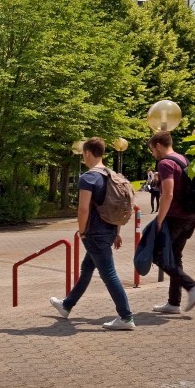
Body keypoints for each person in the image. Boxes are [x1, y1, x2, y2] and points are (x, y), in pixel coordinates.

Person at [49, 137, 135, 330]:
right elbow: (117, 206)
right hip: (110, 230)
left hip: (94, 233)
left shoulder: (88, 178)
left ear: (87, 153)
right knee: (87, 268)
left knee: (109, 274)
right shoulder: (112, 176)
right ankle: (67, 305)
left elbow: (83, 209)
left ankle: (126, 316)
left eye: (83, 155)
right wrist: (117, 231)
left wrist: (82, 231)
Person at [150, 130, 195, 315]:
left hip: (174, 218)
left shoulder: (165, 163)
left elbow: (168, 194)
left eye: (152, 149)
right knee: (175, 257)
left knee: (156, 255)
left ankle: (192, 286)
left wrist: (159, 219)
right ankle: (174, 303)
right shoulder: (183, 160)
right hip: (191, 217)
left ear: (158, 145)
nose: (152, 154)